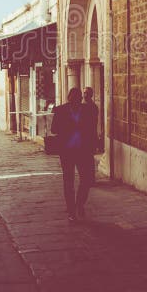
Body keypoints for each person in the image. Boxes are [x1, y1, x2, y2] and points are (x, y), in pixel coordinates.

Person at [51, 87, 97, 221]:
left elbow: (92, 129)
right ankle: (71, 211)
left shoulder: (88, 110)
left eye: (77, 98)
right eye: (73, 97)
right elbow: (54, 129)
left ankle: (79, 204)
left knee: (86, 180)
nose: (75, 100)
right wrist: (70, 127)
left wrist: (92, 146)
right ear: (69, 98)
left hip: (83, 151)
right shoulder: (60, 110)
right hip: (67, 151)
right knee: (68, 181)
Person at [83, 87, 100, 152]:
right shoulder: (82, 105)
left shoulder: (93, 106)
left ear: (91, 95)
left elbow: (93, 122)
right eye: (84, 93)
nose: (85, 95)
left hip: (90, 134)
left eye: (87, 93)